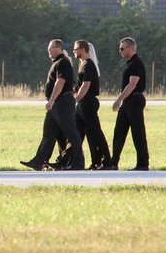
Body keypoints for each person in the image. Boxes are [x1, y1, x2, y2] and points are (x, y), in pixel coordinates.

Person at [21, 39, 85, 171]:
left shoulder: (63, 62)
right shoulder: (56, 63)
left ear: (59, 48)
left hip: (62, 102)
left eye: (51, 49)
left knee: (71, 132)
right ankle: (39, 161)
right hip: (56, 103)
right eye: (48, 49)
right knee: (49, 133)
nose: (48, 51)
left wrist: (51, 100)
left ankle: (78, 162)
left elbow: (60, 82)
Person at [106, 37, 149, 171]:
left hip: (135, 100)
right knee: (119, 131)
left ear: (131, 48)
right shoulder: (129, 63)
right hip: (128, 101)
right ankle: (113, 162)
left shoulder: (136, 63)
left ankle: (142, 163)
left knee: (138, 133)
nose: (120, 51)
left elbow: (132, 84)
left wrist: (119, 99)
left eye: (122, 48)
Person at [72, 40, 111, 170]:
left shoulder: (88, 65)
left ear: (84, 49)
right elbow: (80, 85)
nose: (74, 51)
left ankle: (107, 161)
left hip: (87, 102)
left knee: (95, 132)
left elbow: (86, 85)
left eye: (76, 49)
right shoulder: (82, 64)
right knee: (82, 133)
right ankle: (92, 161)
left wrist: (76, 98)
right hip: (83, 102)